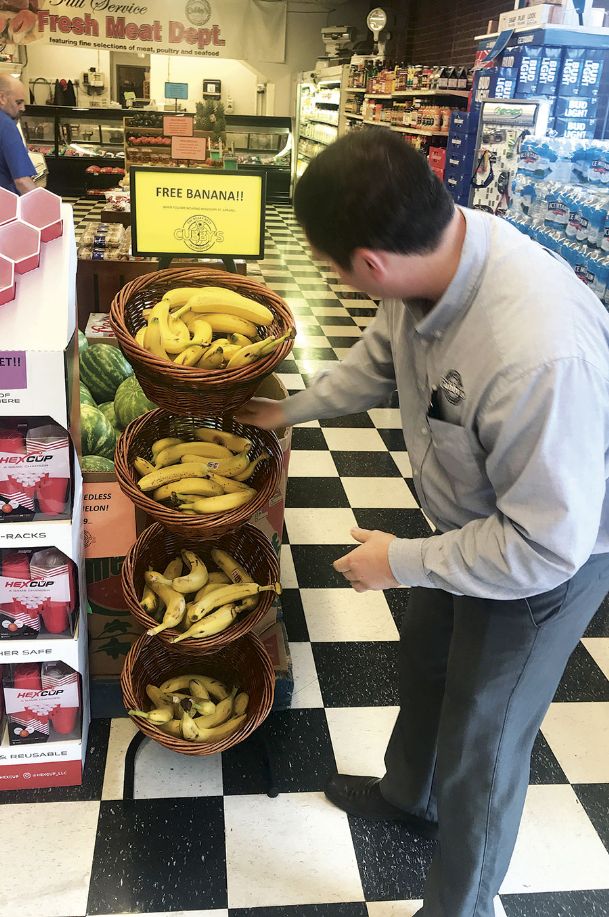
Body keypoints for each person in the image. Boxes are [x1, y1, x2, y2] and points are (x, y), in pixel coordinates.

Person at [234, 128, 609, 917]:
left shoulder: (536, 352)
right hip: (469, 519)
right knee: (430, 661)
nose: (344, 279)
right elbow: (378, 362)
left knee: (484, 736)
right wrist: (288, 411)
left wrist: (399, 561)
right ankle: (410, 796)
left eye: (338, 268)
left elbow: (542, 543)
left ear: (368, 265)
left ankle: (459, 906)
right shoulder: (434, 256)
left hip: (550, 555)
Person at [0, 75, 36, 195]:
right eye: (18, 102)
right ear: (2, 98)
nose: (23, 108)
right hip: (5, 207)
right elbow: (22, 181)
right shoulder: (5, 125)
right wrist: (45, 209)